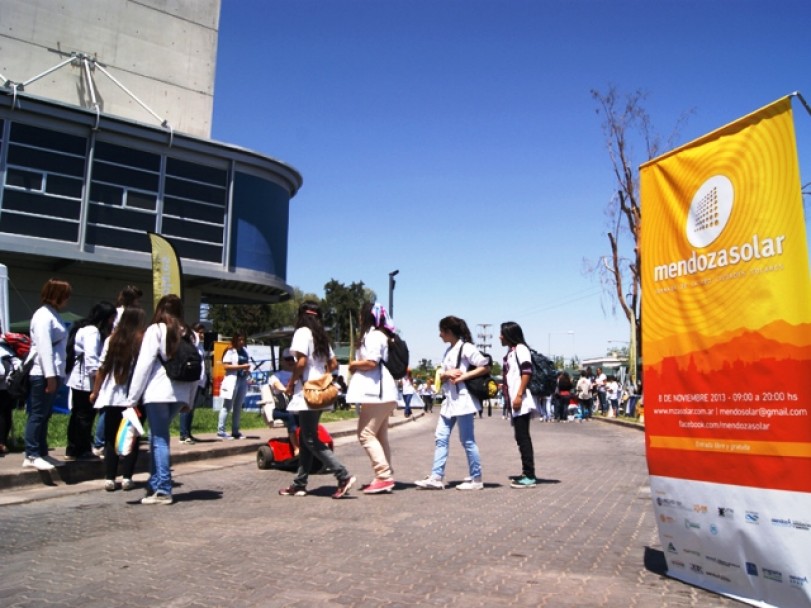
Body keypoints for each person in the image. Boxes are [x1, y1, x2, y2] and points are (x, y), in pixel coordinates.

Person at [124, 294, 200, 505]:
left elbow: (144, 365)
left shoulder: (156, 330)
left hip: (157, 392)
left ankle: (164, 489)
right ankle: (155, 483)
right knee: (159, 436)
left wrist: (132, 398)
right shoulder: (191, 335)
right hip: (180, 393)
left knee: (159, 439)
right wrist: (190, 400)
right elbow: (197, 369)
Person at [279, 301, 355, 499]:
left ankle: (343, 475)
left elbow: (301, 362)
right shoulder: (320, 336)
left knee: (310, 438)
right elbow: (333, 363)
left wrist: (290, 383)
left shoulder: (302, 332)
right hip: (321, 391)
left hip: (308, 391)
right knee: (306, 437)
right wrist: (324, 378)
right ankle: (299, 483)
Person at [415, 315, 490, 491]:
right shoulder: (449, 350)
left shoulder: (466, 347)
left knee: (467, 440)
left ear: (449, 332)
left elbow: (485, 365)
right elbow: (443, 373)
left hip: (463, 400)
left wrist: (464, 376)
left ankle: (476, 478)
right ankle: (436, 476)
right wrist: (445, 375)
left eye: (441, 331)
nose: (439, 335)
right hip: (450, 401)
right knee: (440, 437)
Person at [90, 307, 146, 491]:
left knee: (110, 437)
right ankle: (127, 477)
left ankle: (109, 477)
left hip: (112, 395)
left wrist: (95, 391)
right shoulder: (141, 341)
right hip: (135, 396)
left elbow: (102, 368)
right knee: (132, 437)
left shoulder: (111, 340)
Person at [346, 302, 399, 495]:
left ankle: (383, 475)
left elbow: (371, 362)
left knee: (365, 434)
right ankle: (385, 475)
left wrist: (353, 364)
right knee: (379, 435)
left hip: (377, 393)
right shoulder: (378, 335)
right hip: (381, 393)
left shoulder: (373, 336)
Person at [23, 278, 72, 471]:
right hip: (42, 373)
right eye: (65, 296)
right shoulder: (43, 316)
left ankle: (41, 452)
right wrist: (50, 376)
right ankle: (32, 453)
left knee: (45, 414)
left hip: (53, 372)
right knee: (37, 414)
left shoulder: (53, 315)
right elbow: (44, 349)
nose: (68, 300)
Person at [65, 301, 116, 460]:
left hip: (79, 379)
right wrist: (97, 384)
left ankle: (74, 448)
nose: (112, 322)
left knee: (78, 414)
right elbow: (91, 359)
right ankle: (82, 449)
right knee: (85, 416)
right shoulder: (92, 332)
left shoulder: (85, 329)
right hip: (84, 380)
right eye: (111, 319)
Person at [499, 322, 538, 488]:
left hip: (521, 400)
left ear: (509, 335)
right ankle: (526, 472)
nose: (499, 337)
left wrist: (519, 395)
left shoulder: (521, 349)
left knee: (523, 437)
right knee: (520, 437)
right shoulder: (512, 351)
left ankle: (529, 475)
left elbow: (526, 372)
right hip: (516, 400)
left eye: (502, 333)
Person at [217, 331, 250, 439]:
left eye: (243, 339)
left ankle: (235, 431)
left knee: (238, 406)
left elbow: (247, 364)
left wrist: (247, 370)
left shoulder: (244, 350)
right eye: (239, 339)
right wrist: (241, 367)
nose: (241, 342)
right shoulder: (230, 350)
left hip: (242, 379)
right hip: (232, 380)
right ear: (235, 340)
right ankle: (221, 431)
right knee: (227, 406)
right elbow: (226, 366)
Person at [267, 348, 299, 457]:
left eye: (292, 359)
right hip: (280, 409)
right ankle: (296, 448)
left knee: (305, 416)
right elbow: (276, 384)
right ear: (282, 361)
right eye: (288, 359)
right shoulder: (277, 375)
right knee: (291, 416)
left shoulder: (298, 375)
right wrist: (286, 389)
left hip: (296, 407)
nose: (290, 362)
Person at [179, 322, 207, 444]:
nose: (202, 335)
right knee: (186, 407)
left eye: (203, 333)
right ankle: (183, 434)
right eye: (200, 332)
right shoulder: (192, 343)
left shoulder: (200, 346)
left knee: (192, 408)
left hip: (199, 380)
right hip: (192, 379)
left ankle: (188, 432)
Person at [0, 330, 20, 455]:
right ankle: (3, 442)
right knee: (6, 413)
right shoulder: (7, 344)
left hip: (1, 385)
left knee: (1, 414)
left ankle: (1, 443)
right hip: (10, 385)